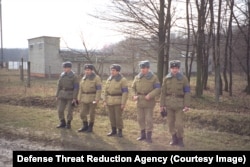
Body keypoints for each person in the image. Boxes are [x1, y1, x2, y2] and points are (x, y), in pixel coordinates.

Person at [159, 60, 190, 147]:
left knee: (179, 124)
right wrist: (161, 105)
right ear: (170, 69)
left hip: (179, 105)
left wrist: (187, 104)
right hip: (169, 104)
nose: (174, 70)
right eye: (173, 68)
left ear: (179, 69)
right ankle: (174, 137)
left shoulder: (184, 79)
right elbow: (163, 92)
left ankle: (180, 139)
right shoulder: (166, 78)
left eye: (176, 68)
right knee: (170, 123)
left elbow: (187, 92)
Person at [131, 60, 161, 143]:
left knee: (148, 119)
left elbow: (158, 88)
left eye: (144, 68)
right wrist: (134, 95)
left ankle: (149, 136)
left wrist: (150, 95)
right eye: (141, 68)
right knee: (140, 118)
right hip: (139, 100)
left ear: (148, 68)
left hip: (149, 101)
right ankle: (142, 134)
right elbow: (132, 88)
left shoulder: (154, 77)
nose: (143, 69)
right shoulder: (137, 77)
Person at [104, 64, 128, 137]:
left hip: (118, 101)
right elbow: (105, 91)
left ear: (118, 71)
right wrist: (105, 100)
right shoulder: (109, 79)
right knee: (111, 117)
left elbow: (125, 92)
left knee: (118, 117)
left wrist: (123, 103)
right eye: (111, 70)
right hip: (109, 101)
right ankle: (113, 130)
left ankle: (119, 131)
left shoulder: (122, 80)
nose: (112, 72)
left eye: (113, 70)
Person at [77, 64, 102, 133]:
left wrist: (97, 99)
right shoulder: (83, 78)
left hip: (92, 98)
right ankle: (85, 126)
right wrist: (78, 98)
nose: (87, 71)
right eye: (86, 70)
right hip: (84, 98)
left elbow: (99, 89)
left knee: (91, 114)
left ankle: (90, 127)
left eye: (88, 70)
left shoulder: (96, 78)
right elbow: (80, 89)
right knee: (82, 113)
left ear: (92, 70)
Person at [55, 61, 79, 129]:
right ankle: (62, 122)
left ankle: (68, 123)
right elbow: (59, 85)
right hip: (62, 94)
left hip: (70, 95)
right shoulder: (62, 75)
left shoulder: (74, 76)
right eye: (64, 68)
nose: (65, 69)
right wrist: (57, 95)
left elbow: (76, 87)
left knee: (69, 110)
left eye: (66, 68)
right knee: (60, 110)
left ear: (70, 68)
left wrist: (75, 97)